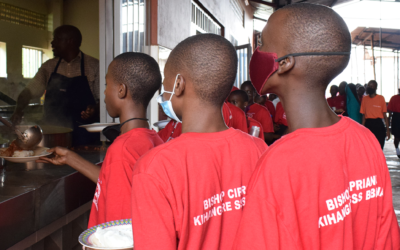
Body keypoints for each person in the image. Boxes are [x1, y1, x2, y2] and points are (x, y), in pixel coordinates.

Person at [234, 3, 399, 249]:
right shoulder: (366, 141)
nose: (257, 52)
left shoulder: (277, 164)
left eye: (262, 44)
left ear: (284, 63)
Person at [131, 34, 268, 250]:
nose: (163, 92)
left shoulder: (154, 168)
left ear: (178, 84)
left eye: (165, 82)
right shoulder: (259, 149)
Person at [38, 52, 164, 228]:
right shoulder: (152, 139)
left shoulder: (122, 149)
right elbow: (115, 184)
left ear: (121, 90)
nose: (104, 92)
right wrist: (70, 158)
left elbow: (119, 231)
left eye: (107, 85)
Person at [11, 25, 100, 146]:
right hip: (53, 135)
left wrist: (95, 109)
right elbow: (29, 92)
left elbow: (104, 101)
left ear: (70, 41)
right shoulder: (48, 67)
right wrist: (18, 110)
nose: (52, 43)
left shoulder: (94, 66)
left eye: (57, 39)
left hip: (85, 137)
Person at [360, 80, 390, 149]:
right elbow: (364, 116)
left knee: (379, 147)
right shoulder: (365, 99)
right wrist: (361, 129)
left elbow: (385, 116)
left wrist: (387, 130)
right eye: (368, 86)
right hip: (368, 125)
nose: (369, 87)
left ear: (375, 88)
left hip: (378, 124)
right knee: (369, 147)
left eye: (371, 86)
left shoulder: (381, 98)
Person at [388, 88, 400, 158]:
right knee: (397, 136)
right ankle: (397, 149)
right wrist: (389, 120)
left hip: (396, 117)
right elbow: (389, 110)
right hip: (396, 117)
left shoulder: (394, 98)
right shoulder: (394, 98)